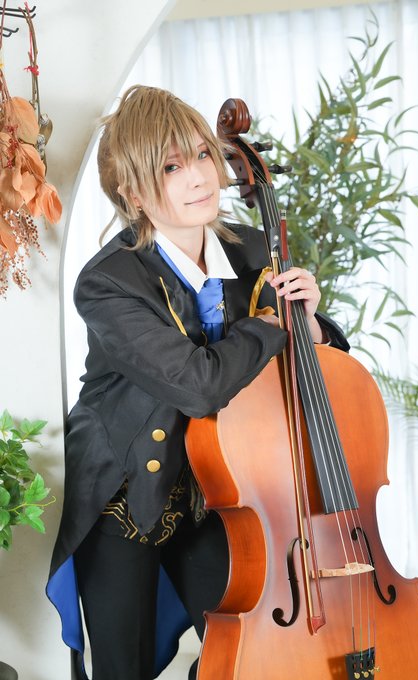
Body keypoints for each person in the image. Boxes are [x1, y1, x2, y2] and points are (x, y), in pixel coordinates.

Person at [46, 85, 349, 680]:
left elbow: (310, 369)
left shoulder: (252, 248)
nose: (199, 176)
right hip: (126, 493)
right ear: (133, 192)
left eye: (203, 154)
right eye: (171, 167)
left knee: (244, 652)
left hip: (222, 494)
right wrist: (272, 325)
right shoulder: (107, 282)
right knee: (124, 668)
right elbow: (198, 384)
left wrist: (310, 323)